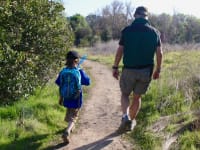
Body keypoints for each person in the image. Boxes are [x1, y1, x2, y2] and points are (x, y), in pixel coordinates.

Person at [112, 6, 163, 133]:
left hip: (128, 69)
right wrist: (158, 70)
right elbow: (159, 53)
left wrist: (115, 66)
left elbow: (120, 51)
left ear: (135, 15)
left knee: (125, 94)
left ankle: (125, 117)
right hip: (146, 71)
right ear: (147, 16)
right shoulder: (154, 32)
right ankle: (130, 121)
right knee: (137, 97)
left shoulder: (127, 31)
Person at [55, 50, 90, 143]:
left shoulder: (63, 71)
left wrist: (62, 95)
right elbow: (87, 82)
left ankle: (69, 126)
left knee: (69, 111)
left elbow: (58, 83)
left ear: (66, 60)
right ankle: (67, 131)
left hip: (66, 97)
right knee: (74, 117)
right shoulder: (79, 71)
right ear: (77, 60)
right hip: (76, 98)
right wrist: (82, 73)